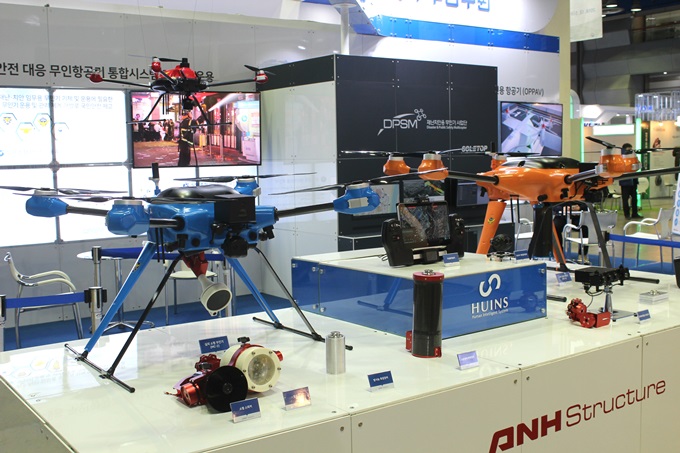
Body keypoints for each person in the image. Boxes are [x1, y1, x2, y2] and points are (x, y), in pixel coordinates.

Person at [619, 142, 642, 220]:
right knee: (625, 199)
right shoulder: (621, 156)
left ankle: (635, 213)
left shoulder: (633, 154)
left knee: (634, 198)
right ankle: (627, 214)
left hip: (634, 179)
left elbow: (638, 164)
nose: (630, 150)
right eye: (629, 149)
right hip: (625, 181)